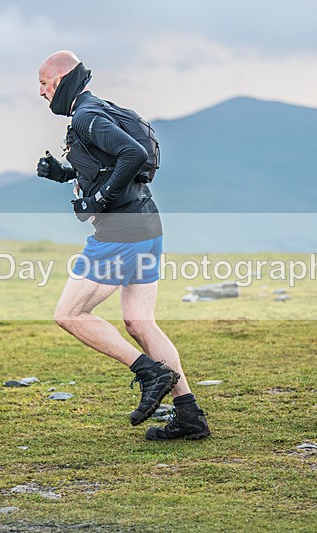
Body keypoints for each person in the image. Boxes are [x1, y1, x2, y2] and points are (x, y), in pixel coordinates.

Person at [35, 50, 210, 441]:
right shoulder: (97, 110)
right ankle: (189, 416)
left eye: (44, 84)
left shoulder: (86, 116)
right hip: (146, 225)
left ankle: (149, 372)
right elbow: (106, 166)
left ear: (61, 80)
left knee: (70, 314)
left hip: (121, 232)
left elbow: (135, 154)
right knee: (140, 323)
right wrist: (62, 174)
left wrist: (98, 202)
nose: (42, 93)